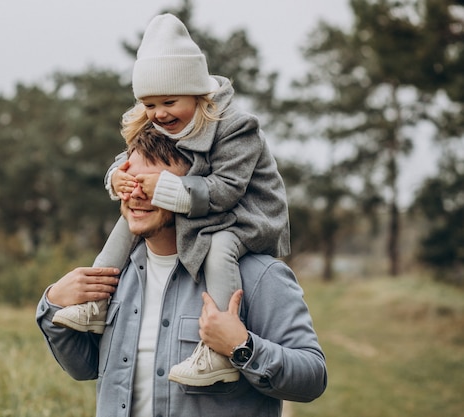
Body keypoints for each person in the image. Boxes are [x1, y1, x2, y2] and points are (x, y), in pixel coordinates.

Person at [52, 13, 291, 386]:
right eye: (148, 105)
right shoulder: (160, 121)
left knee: (218, 248)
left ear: (197, 93)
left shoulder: (236, 127)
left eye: (168, 101)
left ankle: (218, 349)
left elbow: (226, 190)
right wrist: (121, 178)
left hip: (246, 215)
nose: (159, 114)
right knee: (127, 219)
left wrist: (162, 187)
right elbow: (129, 159)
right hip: (202, 206)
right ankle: (95, 302)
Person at [36, 128, 327, 417]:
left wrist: (242, 347)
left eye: (153, 184)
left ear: (192, 193)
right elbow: (83, 367)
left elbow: (312, 378)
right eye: (129, 181)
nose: (136, 193)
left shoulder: (257, 274)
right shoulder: (115, 276)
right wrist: (53, 306)